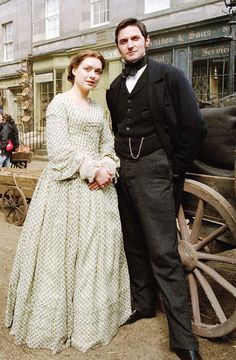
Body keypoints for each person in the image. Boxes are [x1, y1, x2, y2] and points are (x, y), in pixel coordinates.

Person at [5, 50, 131, 353]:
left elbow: (107, 146)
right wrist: (92, 170)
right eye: (87, 68)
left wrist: (107, 167)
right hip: (65, 187)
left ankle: (90, 319)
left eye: (98, 70)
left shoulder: (98, 108)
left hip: (97, 192)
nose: (93, 74)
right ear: (73, 70)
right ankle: (54, 320)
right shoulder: (59, 104)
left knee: (93, 253)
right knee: (60, 253)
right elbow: (60, 150)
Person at [106, 18, 207, 360]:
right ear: (119, 47)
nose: (130, 44)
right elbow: (119, 127)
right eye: (123, 41)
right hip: (124, 169)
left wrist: (174, 167)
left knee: (164, 252)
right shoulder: (115, 88)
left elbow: (195, 125)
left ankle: (184, 340)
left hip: (156, 168)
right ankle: (143, 304)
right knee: (133, 243)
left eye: (135, 38)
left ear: (147, 41)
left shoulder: (170, 76)